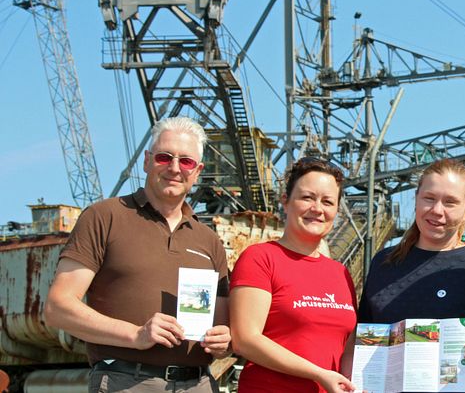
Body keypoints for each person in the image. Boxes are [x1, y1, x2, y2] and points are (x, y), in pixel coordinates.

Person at [44, 117, 232, 393]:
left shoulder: (209, 240)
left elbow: (223, 327)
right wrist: (135, 334)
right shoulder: (105, 217)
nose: (175, 168)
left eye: (186, 162)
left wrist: (224, 341)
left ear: (198, 170)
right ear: (146, 161)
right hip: (127, 382)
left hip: (199, 384)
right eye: (164, 157)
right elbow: (58, 308)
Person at [358, 159, 465, 392]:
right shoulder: (384, 263)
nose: (437, 210)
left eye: (450, 202)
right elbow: (361, 343)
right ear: (416, 198)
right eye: (429, 198)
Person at [229, 157, 357, 393]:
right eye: (307, 197)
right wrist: (319, 374)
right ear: (285, 201)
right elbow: (245, 339)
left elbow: (347, 348)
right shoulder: (260, 258)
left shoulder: (340, 273)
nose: (317, 209)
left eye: (327, 201)